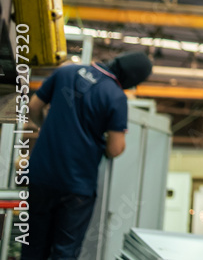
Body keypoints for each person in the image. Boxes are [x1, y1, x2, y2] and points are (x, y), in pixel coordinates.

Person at [24, 51, 153, 260]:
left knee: (32, 246)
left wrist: (47, 128)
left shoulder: (66, 72)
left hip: (41, 175)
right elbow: (115, 148)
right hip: (76, 184)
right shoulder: (115, 96)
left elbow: (33, 107)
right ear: (132, 79)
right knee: (64, 251)